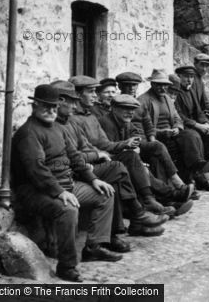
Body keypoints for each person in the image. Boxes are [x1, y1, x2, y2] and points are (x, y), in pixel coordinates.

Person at [12, 84, 120, 283]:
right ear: (34, 106)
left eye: (54, 107)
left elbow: (75, 157)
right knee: (68, 210)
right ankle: (66, 266)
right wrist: (60, 192)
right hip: (35, 191)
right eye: (46, 106)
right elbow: (37, 171)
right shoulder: (29, 133)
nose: (51, 111)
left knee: (105, 194)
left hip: (65, 185)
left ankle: (93, 247)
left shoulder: (58, 128)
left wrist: (93, 179)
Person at [51, 80, 169, 238]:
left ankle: (134, 218)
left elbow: (97, 144)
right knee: (118, 167)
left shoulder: (81, 119)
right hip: (79, 170)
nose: (94, 96)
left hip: (89, 163)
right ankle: (139, 213)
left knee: (127, 159)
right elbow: (74, 156)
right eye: (91, 92)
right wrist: (97, 155)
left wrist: (122, 145)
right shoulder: (66, 123)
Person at [68, 75, 175, 216]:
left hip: (101, 158)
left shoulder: (90, 117)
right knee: (127, 162)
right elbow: (79, 152)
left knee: (137, 156)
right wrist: (103, 153)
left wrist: (126, 144)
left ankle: (155, 201)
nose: (95, 96)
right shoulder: (73, 120)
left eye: (95, 91)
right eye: (91, 92)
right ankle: (146, 206)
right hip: (87, 165)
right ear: (77, 95)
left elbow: (104, 144)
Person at [138, 69, 209, 192]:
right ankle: (195, 179)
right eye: (159, 85)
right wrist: (161, 132)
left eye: (165, 85)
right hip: (157, 136)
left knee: (191, 135)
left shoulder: (167, 99)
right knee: (179, 148)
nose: (162, 88)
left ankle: (197, 167)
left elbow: (177, 117)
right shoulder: (144, 100)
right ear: (152, 84)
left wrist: (177, 127)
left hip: (172, 132)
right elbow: (144, 128)